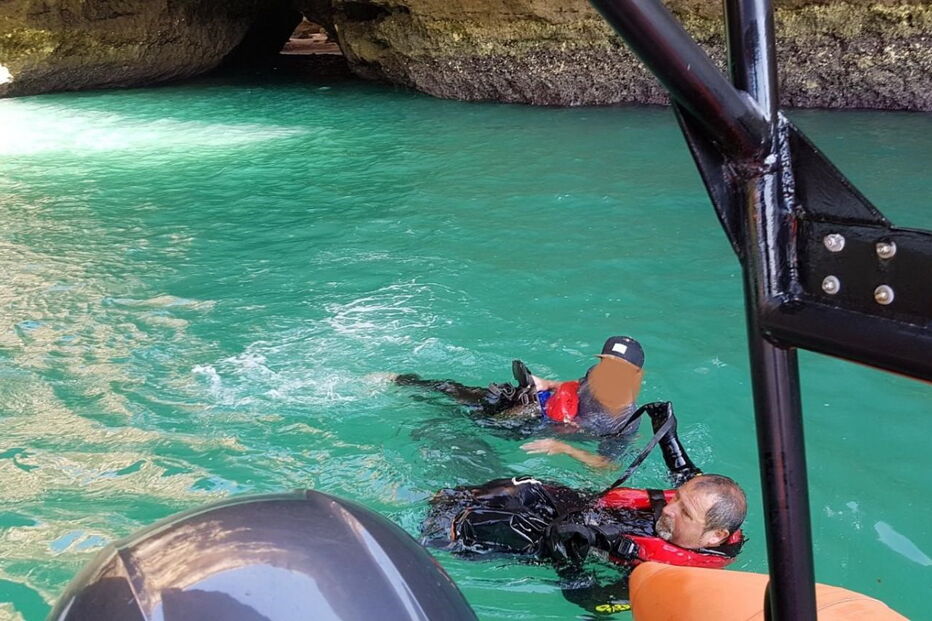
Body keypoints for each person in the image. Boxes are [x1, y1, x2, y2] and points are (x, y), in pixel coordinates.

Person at [394, 336, 646, 468]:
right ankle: (405, 381)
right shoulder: (596, 374)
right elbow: (573, 386)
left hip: (545, 428)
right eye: (606, 363)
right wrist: (545, 382)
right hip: (541, 403)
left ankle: (425, 421)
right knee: (467, 393)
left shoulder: (625, 422)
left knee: (476, 423)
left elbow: (606, 466)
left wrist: (562, 448)